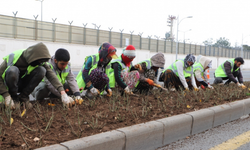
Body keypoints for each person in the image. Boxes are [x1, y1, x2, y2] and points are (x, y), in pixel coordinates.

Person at [0, 42, 74, 109]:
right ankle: (14, 98)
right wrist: (6, 96)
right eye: (40, 61)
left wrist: (63, 93)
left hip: (22, 84)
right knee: (13, 70)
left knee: (42, 70)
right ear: (33, 58)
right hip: (10, 85)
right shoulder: (13, 57)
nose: (41, 63)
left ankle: (23, 97)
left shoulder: (39, 61)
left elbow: (51, 75)